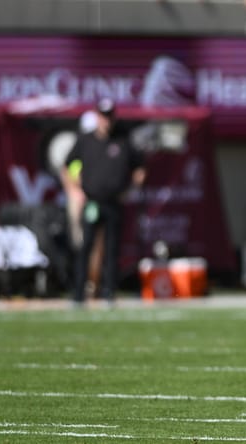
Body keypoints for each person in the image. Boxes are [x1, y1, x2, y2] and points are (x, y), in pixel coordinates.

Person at [63, 98, 146, 306]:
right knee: (85, 248)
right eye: (102, 116)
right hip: (91, 201)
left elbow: (139, 168)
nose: (106, 121)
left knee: (112, 249)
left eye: (109, 116)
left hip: (113, 203)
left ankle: (109, 293)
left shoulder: (123, 140)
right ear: (97, 117)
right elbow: (68, 166)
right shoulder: (85, 140)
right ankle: (79, 294)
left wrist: (130, 190)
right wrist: (75, 190)